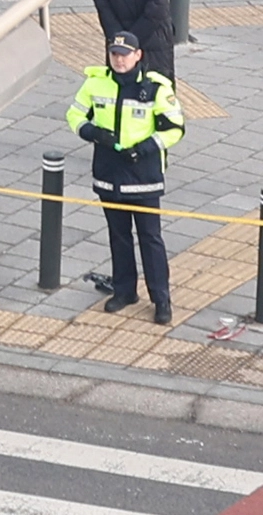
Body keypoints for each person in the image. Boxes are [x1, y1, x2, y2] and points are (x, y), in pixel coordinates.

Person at [71, 30, 186, 325]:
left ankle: (161, 299)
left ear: (138, 56)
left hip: (143, 175)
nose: (119, 60)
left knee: (150, 238)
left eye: (124, 55)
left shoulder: (156, 88)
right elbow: (74, 115)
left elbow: (174, 128)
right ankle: (124, 291)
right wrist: (93, 133)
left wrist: (144, 148)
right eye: (114, 54)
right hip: (109, 174)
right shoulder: (96, 82)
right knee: (118, 236)